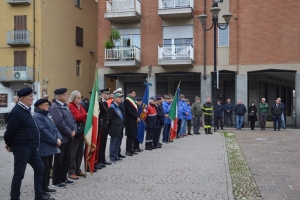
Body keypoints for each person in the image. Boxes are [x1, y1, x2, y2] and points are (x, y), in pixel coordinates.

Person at [4, 88, 54, 200]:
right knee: (19, 173)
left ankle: (39, 195)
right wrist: (10, 145)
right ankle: (15, 197)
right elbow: (9, 131)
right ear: (22, 98)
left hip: (31, 147)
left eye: (32, 96)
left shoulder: (26, 110)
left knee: (40, 168)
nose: (32, 98)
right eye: (30, 96)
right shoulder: (17, 111)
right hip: (22, 147)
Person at [33, 98, 62, 197]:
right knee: (43, 169)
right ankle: (41, 190)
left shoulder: (47, 115)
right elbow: (43, 131)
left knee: (48, 167)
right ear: (39, 106)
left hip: (50, 146)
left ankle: (45, 187)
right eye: (46, 105)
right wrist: (55, 140)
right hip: (43, 147)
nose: (48, 106)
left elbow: (55, 128)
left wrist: (59, 138)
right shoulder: (37, 116)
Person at [49, 88, 77, 188]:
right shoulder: (55, 107)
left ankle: (64, 177)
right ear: (58, 96)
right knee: (59, 160)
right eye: (64, 94)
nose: (66, 95)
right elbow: (59, 123)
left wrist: (74, 129)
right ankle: (56, 180)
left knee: (67, 159)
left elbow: (73, 119)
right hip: (62, 137)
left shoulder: (65, 106)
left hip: (69, 137)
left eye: (66, 94)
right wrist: (70, 132)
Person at [67, 90, 87, 179]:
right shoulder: (70, 106)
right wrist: (85, 115)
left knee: (80, 152)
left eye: (80, 97)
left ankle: (78, 169)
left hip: (82, 131)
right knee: (73, 152)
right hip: (76, 131)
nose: (80, 99)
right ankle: (71, 171)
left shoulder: (81, 106)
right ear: (73, 98)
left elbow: (83, 115)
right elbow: (74, 117)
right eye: (78, 98)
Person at [95, 88, 111, 170]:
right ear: (103, 94)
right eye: (107, 94)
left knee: (104, 143)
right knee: (100, 144)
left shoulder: (105, 102)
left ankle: (102, 158)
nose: (109, 95)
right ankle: (98, 160)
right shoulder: (99, 102)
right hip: (101, 124)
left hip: (105, 124)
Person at [108, 93, 124, 163]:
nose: (120, 98)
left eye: (121, 97)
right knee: (113, 143)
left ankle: (116, 155)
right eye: (119, 97)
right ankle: (112, 157)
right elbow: (110, 119)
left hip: (119, 127)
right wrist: (110, 128)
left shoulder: (118, 106)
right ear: (114, 98)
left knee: (118, 142)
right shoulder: (112, 107)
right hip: (114, 128)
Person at [124, 90, 140, 156]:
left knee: (133, 135)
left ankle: (131, 149)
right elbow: (129, 111)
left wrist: (136, 117)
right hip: (129, 120)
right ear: (129, 94)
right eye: (133, 93)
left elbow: (135, 110)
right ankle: (128, 150)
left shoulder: (133, 100)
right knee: (130, 135)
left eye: (135, 93)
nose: (134, 94)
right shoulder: (127, 100)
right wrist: (136, 117)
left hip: (133, 120)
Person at [113, 88, 126, 158]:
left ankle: (118, 152)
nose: (121, 97)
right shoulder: (114, 105)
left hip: (121, 123)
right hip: (116, 125)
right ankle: (115, 154)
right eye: (119, 95)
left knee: (120, 139)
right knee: (116, 140)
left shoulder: (121, 103)